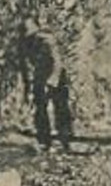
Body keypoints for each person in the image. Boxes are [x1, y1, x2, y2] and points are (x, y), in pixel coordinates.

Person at [19, 18, 73, 152]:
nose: (26, 33)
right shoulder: (24, 44)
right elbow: (24, 67)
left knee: (60, 107)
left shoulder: (46, 40)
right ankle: (44, 139)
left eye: (28, 29)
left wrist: (51, 83)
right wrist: (28, 86)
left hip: (57, 77)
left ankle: (64, 139)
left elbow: (57, 63)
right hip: (40, 76)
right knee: (40, 107)